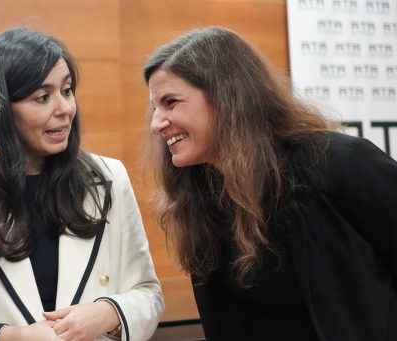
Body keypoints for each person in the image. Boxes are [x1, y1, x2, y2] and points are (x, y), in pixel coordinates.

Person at [143, 26, 397, 341]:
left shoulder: (342, 163)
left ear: (226, 97)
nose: (156, 124)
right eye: (155, 107)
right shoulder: (200, 194)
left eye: (170, 102)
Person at [0, 27, 164, 341]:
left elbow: (148, 292)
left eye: (67, 90)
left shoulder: (108, 178)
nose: (64, 109)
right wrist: (12, 337)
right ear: (1, 108)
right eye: (42, 97)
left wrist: (108, 312)